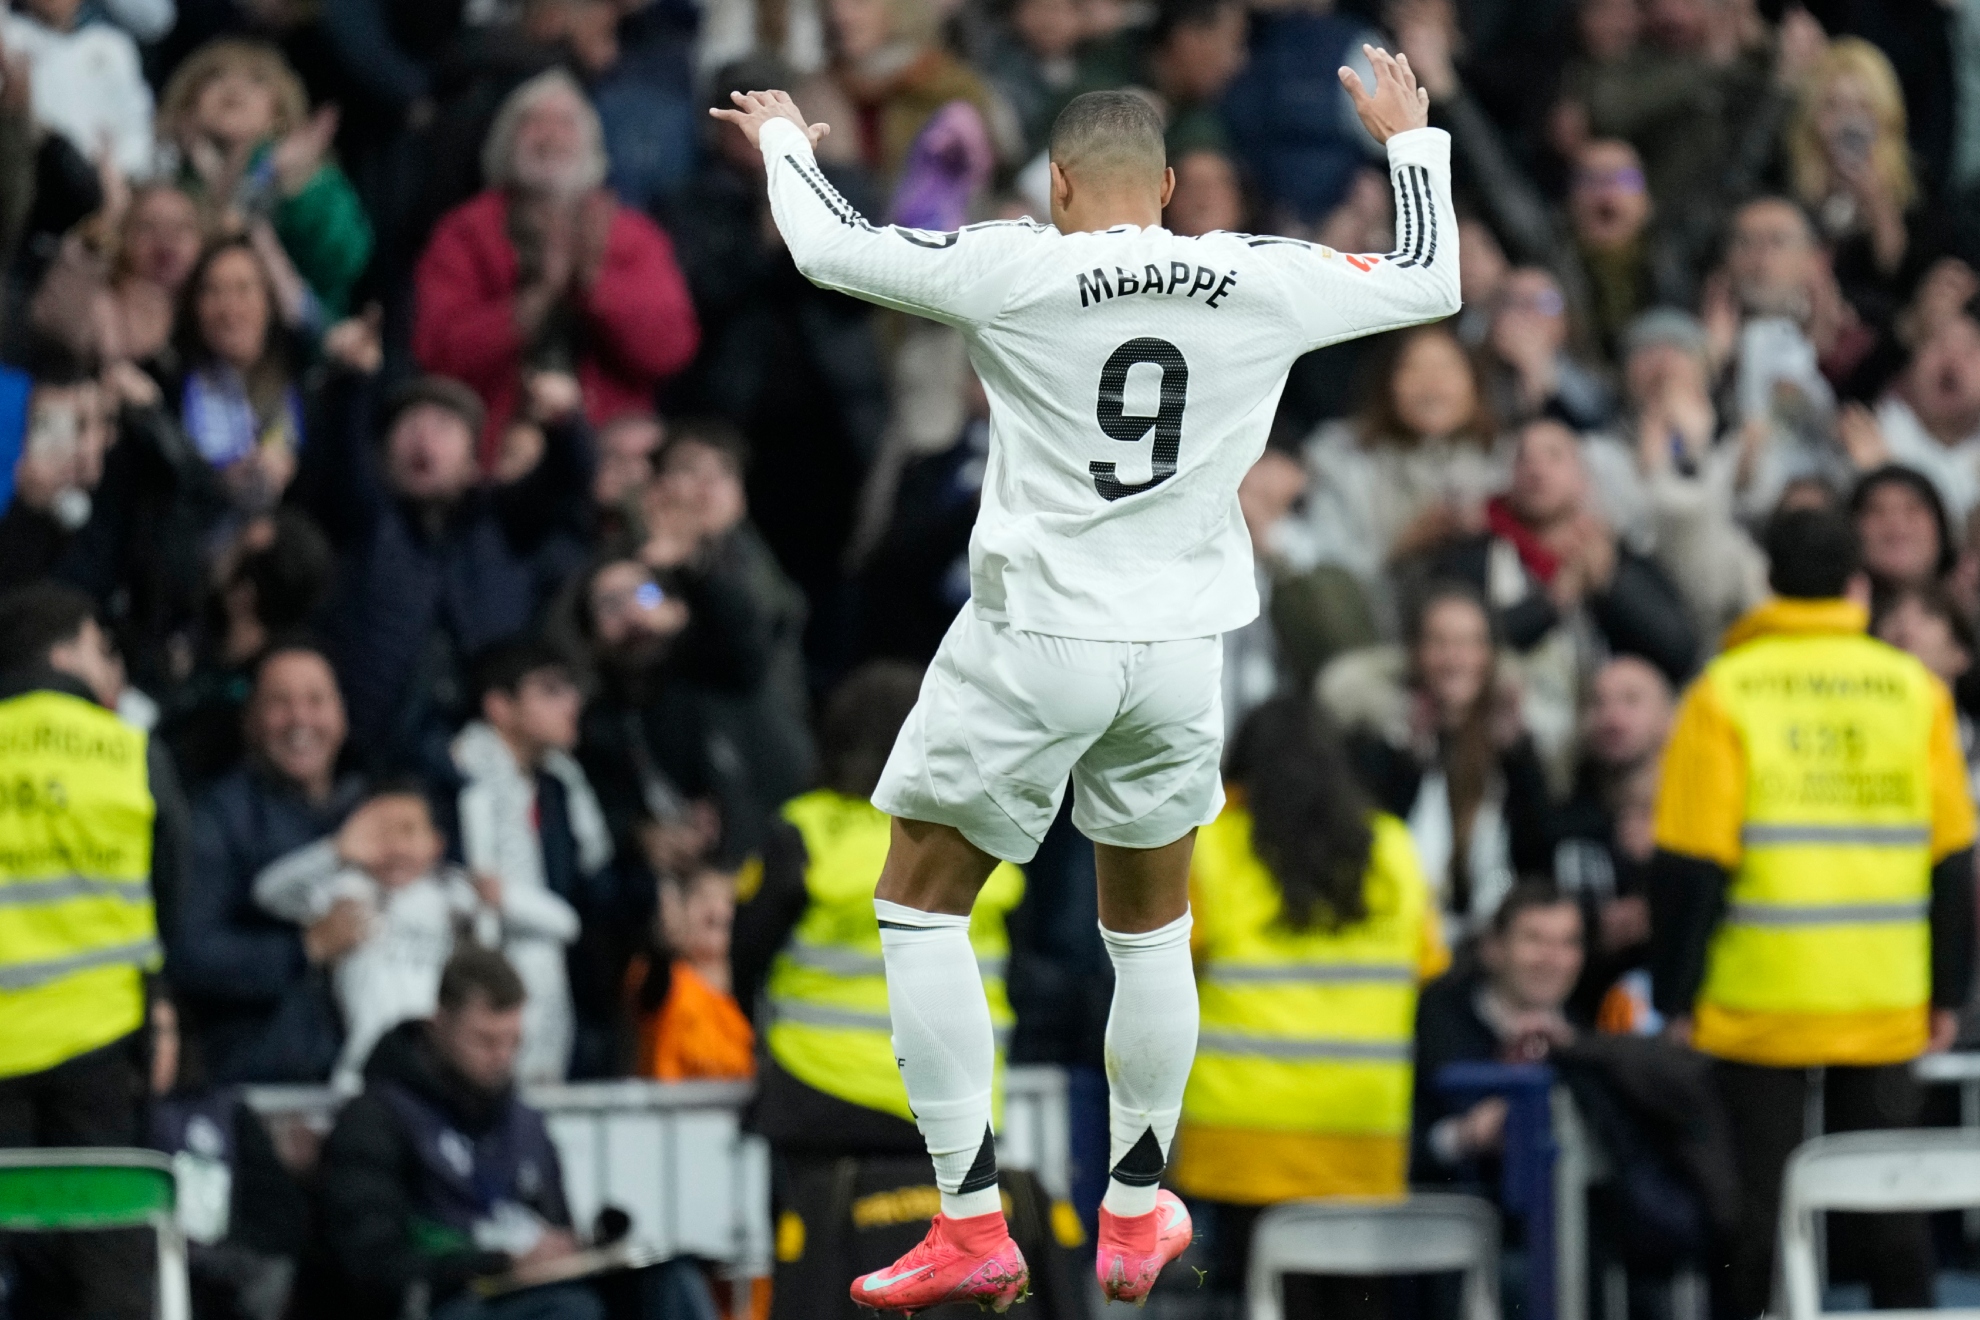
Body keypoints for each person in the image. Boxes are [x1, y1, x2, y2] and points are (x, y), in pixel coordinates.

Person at [710, 55, 1459, 1306]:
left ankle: (967, 1218)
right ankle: (1132, 1210)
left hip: (1039, 638)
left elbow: (831, 248)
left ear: (1059, 185)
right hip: (1180, 653)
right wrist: (1408, 142)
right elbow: (1430, 276)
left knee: (920, 904)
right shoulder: (1261, 274)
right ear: (1167, 186)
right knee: (1150, 927)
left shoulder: (1018, 264)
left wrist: (787, 141)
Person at [1648, 507, 1976, 1320]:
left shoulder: (1724, 691)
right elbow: (1952, 861)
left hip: (1760, 996)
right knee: (1888, 1212)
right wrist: (1946, 994)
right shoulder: (1915, 691)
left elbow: (1691, 866)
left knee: (1755, 1217)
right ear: (1857, 586)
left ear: (1768, 584)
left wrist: (1677, 997)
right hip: (1884, 997)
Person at [725, 664, 1047, 1320]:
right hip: (952, 1112)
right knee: (952, 1297)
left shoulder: (805, 832)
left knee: (818, 1285)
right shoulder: (986, 835)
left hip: (820, 1102)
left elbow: (743, 959)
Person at [1172, 696, 1448, 1309]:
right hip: (1364, 1134)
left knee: (1257, 1300)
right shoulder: (1395, 849)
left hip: (1240, 1136)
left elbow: (1161, 971)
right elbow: (1430, 968)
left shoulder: (1209, 849)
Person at [0, 582, 182, 1320]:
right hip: (100, 1046)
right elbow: (173, 894)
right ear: (65, 646)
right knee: (108, 1269)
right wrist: (160, 1003)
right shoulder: (130, 751)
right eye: (102, 648)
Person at [412, 68, 700, 463]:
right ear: (505, 142)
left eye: (565, 125)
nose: (550, 136)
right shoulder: (466, 232)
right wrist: (535, 300)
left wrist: (594, 285)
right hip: (489, 444)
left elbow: (670, 349)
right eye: (533, 124)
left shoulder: (630, 234)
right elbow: (437, 354)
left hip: (609, 447)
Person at [304, 948, 602, 1320]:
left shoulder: (526, 1124)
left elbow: (557, 1225)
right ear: (438, 1025)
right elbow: (371, 1262)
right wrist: (496, 1264)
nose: (502, 1057)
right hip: (442, 1300)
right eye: (485, 1040)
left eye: (513, 1041)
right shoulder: (376, 1119)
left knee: (667, 1279)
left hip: (531, 1294)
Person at [173, 646, 362, 1083]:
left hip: (371, 1086)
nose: (300, 719)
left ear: (342, 717)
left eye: (317, 701)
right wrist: (306, 948)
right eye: (280, 703)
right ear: (250, 720)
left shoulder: (374, 810)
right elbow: (191, 952)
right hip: (259, 1078)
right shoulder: (217, 817)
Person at [1320, 585, 1551, 935]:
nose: (1454, 659)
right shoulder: (1374, 735)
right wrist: (1408, 757)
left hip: (1491, 940)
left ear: (1490, 656)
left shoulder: (1515, 743)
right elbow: (1368, 844)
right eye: (1439, 643)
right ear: (1414, 653)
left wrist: (1519, 758)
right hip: (1399, 930)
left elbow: (1538, 857)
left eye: (1469, 644)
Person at [255, 782, 494, 1088]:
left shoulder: (453, 894)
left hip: (438, 1064)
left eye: (407, 830)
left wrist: (498, 898)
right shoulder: (345, 890)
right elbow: (268, 892)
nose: (394, 846)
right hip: (363, 1068)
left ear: (436, 842)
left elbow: (563, 923)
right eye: (381, 832)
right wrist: (336, 851)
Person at [447, 637, 611, 1083]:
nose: (572, 703)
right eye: (551, 690)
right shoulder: (455, 782)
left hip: (553, 992)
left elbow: (591, 893)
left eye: (572, 689)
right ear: (500, 706)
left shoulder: (560, 789)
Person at [1413, 884, 1585, 1180]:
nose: (1552, 959)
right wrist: (1463, 1137)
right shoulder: (1434, 1023)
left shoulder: (1589, 1037)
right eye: (1534, 940)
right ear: (1492, 948)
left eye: (1568, 943)